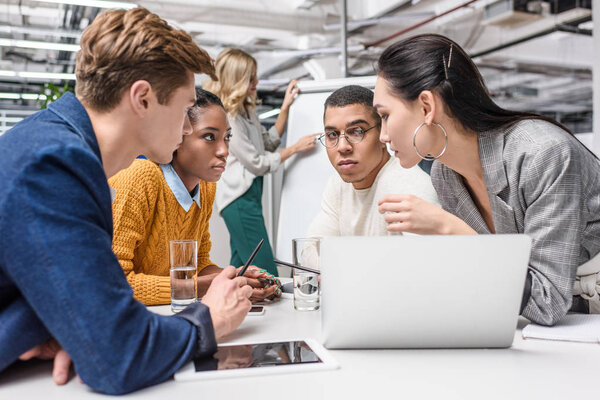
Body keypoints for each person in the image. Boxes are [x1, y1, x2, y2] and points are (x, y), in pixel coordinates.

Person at [0, 8, 253, 394]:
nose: (187, 128)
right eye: (186, 111)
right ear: (143, 99)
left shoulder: (54, 146)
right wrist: (211, 319)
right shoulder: (54, 165)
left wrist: (77, 330)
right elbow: (119, 358)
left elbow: (90, 317)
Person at [373, 33, 600, 326]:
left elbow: (547, 301)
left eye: (385, 115)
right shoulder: (446, 174)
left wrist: (449, 229)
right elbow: (486, 282)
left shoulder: (543, 153)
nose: (382, 135)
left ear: (427, 107)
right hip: (550, 329)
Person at [109, 89, 281, 305]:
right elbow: (113, 283)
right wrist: (209, 284)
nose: (224, 151)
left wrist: (236, 278)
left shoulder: (206, 186)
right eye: (209, 137)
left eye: (227, 137)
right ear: (177, 136)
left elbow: (199, 265)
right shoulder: (139, 178)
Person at [204, 48, 318, 275]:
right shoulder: (229, 119)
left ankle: (236, 307)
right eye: (250, 77)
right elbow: (257, 163)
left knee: (240, 266)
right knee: (265, 267)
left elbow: (269, 142)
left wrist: (284, 108)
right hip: (239, 200)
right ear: (236, 79)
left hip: (249, 196)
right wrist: (295, 148)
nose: (256, 81)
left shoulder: (247, 112)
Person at [307, 85, 438, 238]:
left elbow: (426, 260)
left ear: (382, 133)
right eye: (332, 135)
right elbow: (313, 251)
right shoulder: (337, 185)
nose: (342, 147)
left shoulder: (409, 188)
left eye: (357, 131)